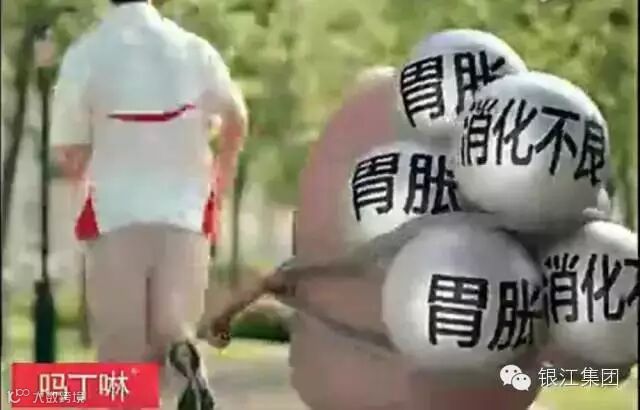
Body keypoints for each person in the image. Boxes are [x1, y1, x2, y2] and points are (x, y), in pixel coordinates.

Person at [49, 0, 248, 408]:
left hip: (115, 213)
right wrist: (220, 180)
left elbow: (70, 151)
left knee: (122, 355)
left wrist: (85, 174)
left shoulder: (87, 54)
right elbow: (236, 116)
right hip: (187, 213)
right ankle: (182, 357)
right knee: (171, 326)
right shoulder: (193, 49)